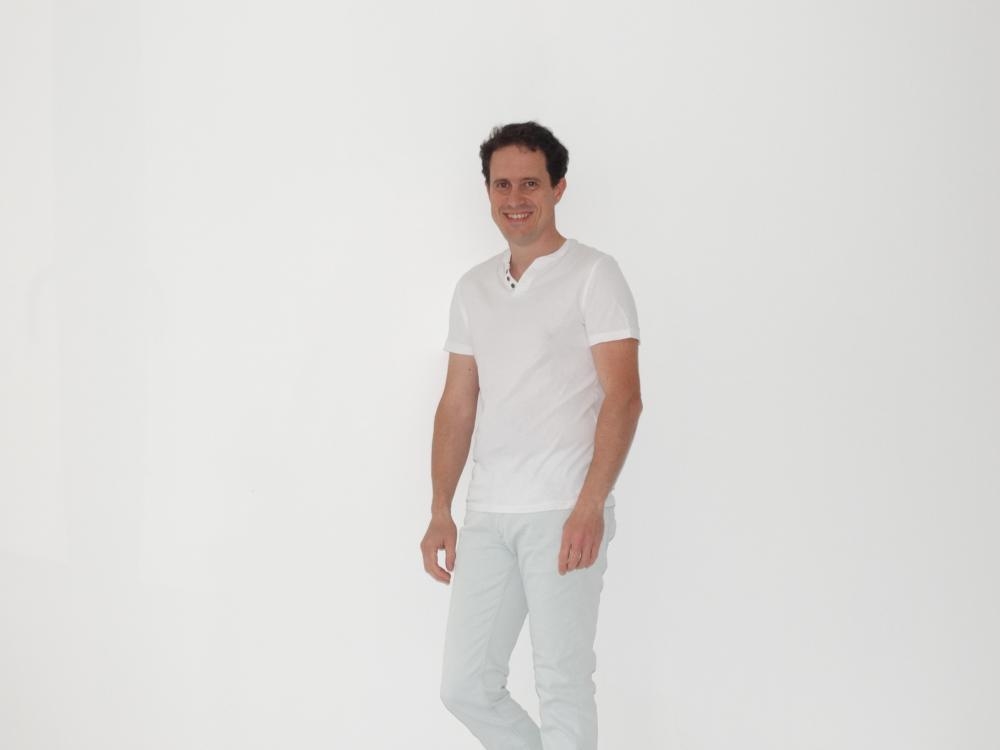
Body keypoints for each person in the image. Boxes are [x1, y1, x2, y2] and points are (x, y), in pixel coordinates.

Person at [420, 121, 642, 750]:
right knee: (465, 685)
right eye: (502, 185)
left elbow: (624, 398)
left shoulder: (594, 275)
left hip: (563, 509)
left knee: (561, 684)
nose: (515, 198)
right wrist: (440, 509)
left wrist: (590, 506)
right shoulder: (473, 288)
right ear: (488, 191)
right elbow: (457, 404)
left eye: (530, 184)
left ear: (558, 188)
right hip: (489, 513)